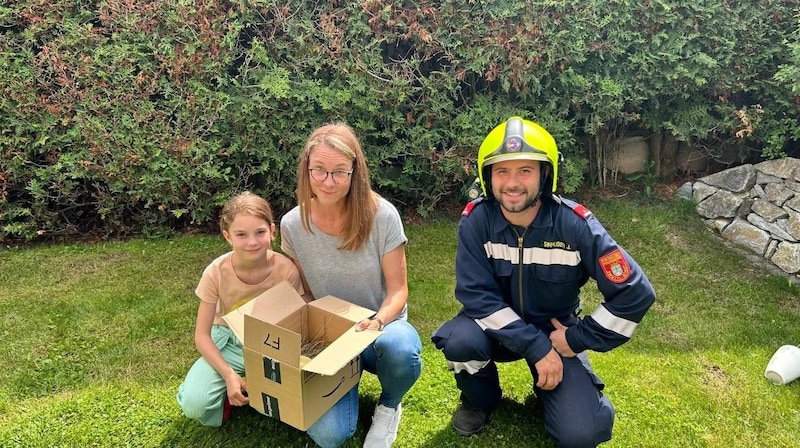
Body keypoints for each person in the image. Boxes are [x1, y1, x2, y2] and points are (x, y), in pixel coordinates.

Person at [431, 117, 656, 447]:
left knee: (582, 434)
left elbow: (635, 294)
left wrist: (578, 338)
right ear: (487, 176)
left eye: (525, 171)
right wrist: (535, 347)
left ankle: (557, 390)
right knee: (459, 340)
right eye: (502, 171)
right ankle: (480, 399)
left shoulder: (576, 225)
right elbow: (477, 297)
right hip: (497, 330)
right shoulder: (475, 222)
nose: (512, 183)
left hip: (557, 333)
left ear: (545, 175)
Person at [280, 122, 422, 448]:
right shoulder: (292, 224)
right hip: (330, 338)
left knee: (401, 350)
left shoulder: (382, 215)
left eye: (340, 172)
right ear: (307, 169)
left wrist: (378, 321)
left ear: (354, 171)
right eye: (319, 170)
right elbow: (303, 291)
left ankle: (388, 406)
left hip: (378, 332)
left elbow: (399, 290)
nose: (328, 182)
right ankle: (346, 381)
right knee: (329, 436)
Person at [176, 191, 306, 427]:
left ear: (272, 231)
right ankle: (229, 391)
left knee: (299, 401)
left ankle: (254, 387)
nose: (252, 242)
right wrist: (228, 374)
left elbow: (299, 320)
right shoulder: (216, 272)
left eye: (260, 232)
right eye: (241, 235)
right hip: (229, 343)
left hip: (271, 343)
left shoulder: (286, 270)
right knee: (195, 405)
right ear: (228, 236)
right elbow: (202, 336)